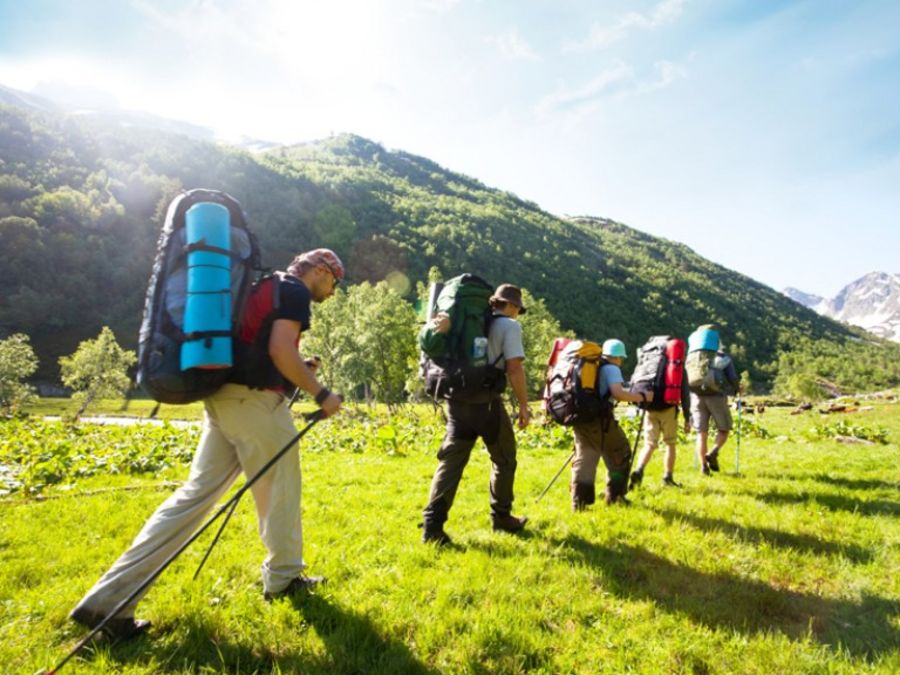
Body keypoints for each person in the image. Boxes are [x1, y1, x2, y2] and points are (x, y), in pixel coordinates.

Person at [70, 248, 345, 639]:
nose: (333, 291)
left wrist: (299, 369)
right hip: (255, 405)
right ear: (320, 270)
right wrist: (321, 393)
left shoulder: (263, 284)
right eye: (334, 281)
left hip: (222, 400)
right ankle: (283, 580)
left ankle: (107, 601)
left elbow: (263, 345)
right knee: (280, 491)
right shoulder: (295, 292)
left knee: (192, 499)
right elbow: (280, 350)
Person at [421, 283, 531, 545]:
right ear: (513, 306)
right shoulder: (510, 326)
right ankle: (502, 517)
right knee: (504, 459)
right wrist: (524, 405)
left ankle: (432, 527)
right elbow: (514, 368)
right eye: (518, 309)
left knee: (451, 462)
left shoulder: (471, 320)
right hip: (486, 404)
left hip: (456, 401)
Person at [571, 339, 651, 509]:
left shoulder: (591, 365)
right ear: (618, 357)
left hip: (579, 417)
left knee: (585, 458)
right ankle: (615, 497)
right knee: (620, 453)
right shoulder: (611, 368)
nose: (621, 361)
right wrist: (642, 397)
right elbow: (618, 393)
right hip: (600, 420)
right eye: (621, 358)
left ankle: (579, 503)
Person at [687, 326, 741, 475]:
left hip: (696, 396)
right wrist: (737, 389)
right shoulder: (722, 357)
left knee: (701, 433)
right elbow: (733, 378)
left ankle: (703, 467)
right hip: (716, 396)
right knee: (724, 429)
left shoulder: (692, 357)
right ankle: (713, 452)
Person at [629, 356, 691, 488]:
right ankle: (668, 477)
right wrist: (687, 416)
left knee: (649, 444)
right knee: (670, 443)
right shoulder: (676, 365)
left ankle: (639, 471)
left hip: (650, 408)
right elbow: (684, 393)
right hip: (668, 408)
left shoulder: (649, 362)